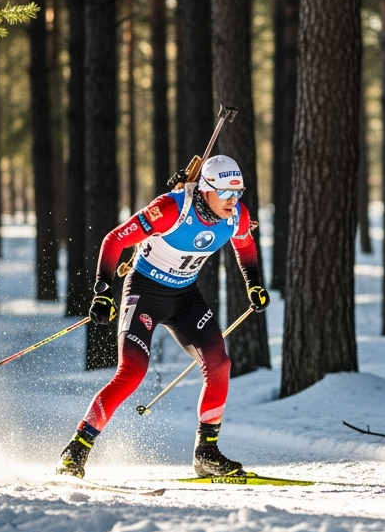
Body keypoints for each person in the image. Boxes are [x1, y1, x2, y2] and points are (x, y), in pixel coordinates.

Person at [56, 154, 269, 479]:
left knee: (219, 365)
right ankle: (76, 449)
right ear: (206, 188)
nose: (232, 201)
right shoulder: (171, 208)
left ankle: (206, 452)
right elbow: (115, 239)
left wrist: (253, 283)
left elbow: (245, 245)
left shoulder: (237, 215)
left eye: (237, 193)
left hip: (185, 297)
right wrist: (102, 291)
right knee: (132, 372)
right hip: (145, 292)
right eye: (225, 193)